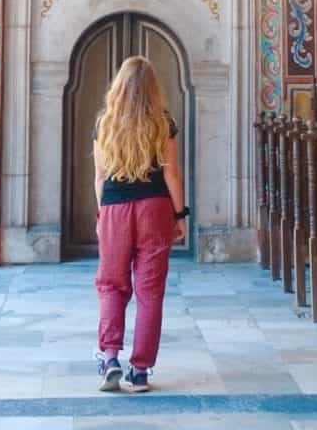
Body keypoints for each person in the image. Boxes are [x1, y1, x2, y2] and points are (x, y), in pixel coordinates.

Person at [93, 56, 187, 393]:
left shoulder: (105, 122)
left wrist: (102, 215)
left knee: (112, 284)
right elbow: (172, 174)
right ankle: (141, 370)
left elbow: (100, 176)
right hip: (155, 209)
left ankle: (110, 358)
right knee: (150, 290)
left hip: (115, 208)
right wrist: (180, 215)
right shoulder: (163, 122)